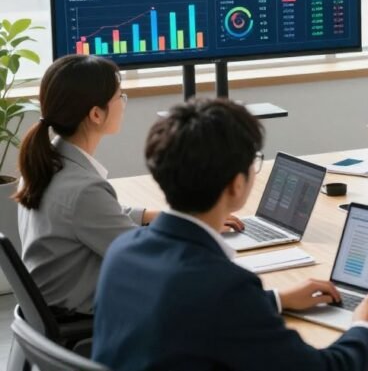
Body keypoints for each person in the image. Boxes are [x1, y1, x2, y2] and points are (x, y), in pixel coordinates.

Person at [91, 98, 368, 371]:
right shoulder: (224, 288)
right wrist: (367, 329)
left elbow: (190, 311)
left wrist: (276, 299)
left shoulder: (123, 251)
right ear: (236, 185)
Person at [15, 54, 242, 317]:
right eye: (119, 96)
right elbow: (148, 257)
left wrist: (161, 216)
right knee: (209, 292)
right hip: (88, 316)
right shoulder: (83, 190)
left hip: (58, 306)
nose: (124, 103)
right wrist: (200, 229)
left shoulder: (46, 165)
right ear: (96, 114)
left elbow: (100, 217)